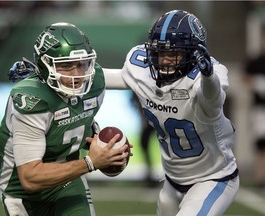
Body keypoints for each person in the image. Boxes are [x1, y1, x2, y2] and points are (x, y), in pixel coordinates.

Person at [103, 10, 240, 216]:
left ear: (193, 53)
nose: (165, 60)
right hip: (172, 181)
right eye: (160, 52)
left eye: (173, 53)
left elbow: (212, 105)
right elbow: (114, 78)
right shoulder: (141, 67)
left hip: (213, 177)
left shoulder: (207, 76)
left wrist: (208, 76)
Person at [0, 22, 130, 216]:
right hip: (23, 193)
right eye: (65, 66)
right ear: (45, 65)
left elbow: (131, 79)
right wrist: (91, 162)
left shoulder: (94, 80)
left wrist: (103, 146)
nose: (77, 75)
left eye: (81, 64)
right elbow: (30, 178)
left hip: (68, 181)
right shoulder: (32, 100)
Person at [244, 33, 265, 188]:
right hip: (260, 110)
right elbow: (245, 78)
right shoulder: (256, 61)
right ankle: (259, 176)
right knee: (261, 144)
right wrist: (258, 83)